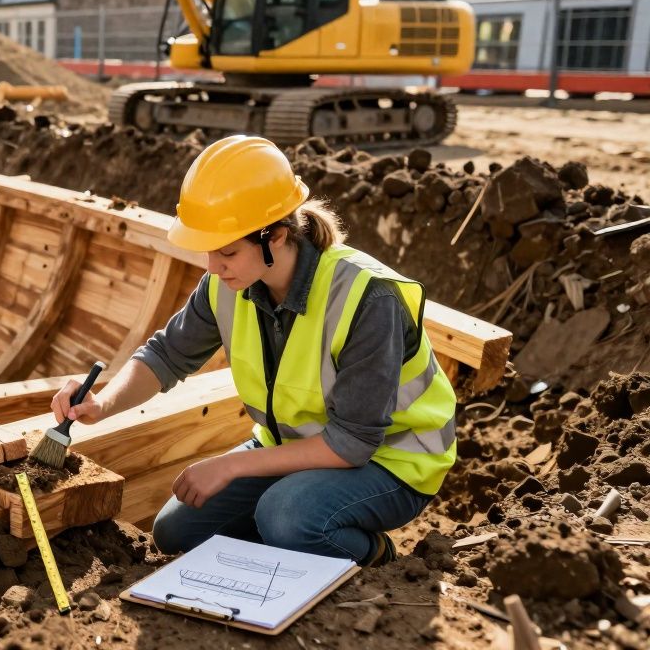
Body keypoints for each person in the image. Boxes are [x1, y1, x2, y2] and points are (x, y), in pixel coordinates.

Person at [49, 135, 457, 567]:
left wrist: (229, 467)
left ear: (276, 236)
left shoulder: (368, 299)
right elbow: (166, 356)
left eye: (226, 251)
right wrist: (103, 403)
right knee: (176, 531)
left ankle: (374, 555)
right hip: (295, 448)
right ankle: (293, 538)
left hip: (393, 461)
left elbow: (351, 444)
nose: (212, 265)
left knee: (285, 518)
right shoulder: (228, 285)